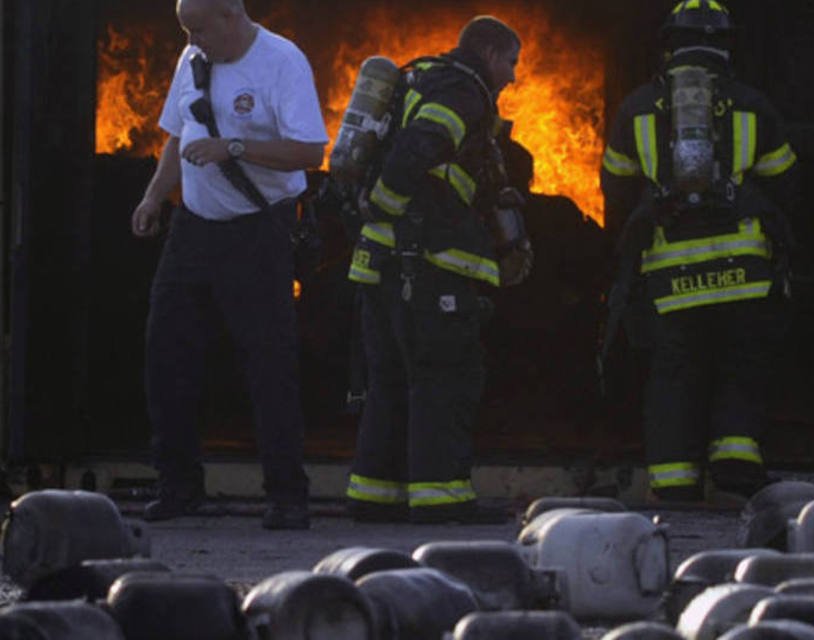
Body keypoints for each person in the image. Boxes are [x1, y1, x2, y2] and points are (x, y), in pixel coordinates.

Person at [130, 0, 328, 529]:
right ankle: (178, 486)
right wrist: (154, 198)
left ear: (231, 15)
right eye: (185, 31)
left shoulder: (282, 62)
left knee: (269, 364)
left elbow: (311, 151)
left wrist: (233, 147)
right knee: (165, 354)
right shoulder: (192, 58)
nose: (192, 40)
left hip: (258, 231)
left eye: (198, 28)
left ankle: (287, 496)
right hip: (193, 227)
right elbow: (179, 134)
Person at [600, 0, 798, 502]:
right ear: (726, 45)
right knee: (741, 363)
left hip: (671, 280)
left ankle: (673, 483)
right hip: (744, 275)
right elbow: (787, 186)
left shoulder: (637, 107)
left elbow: (617, 191)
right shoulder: (754, 104)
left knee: (673, 377)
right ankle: (734, 463)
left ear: (668, 44)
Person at [344, 15, 529, 523]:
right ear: (489, 53)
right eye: (511, 62)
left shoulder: (417, 79)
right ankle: (442, 498)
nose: (512, 75)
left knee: (389, 381)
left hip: (382, 262)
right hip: (428, 264)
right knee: (444, 379)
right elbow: (419, 147)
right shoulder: (462, 91)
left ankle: (373, 494)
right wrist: (387, 202)